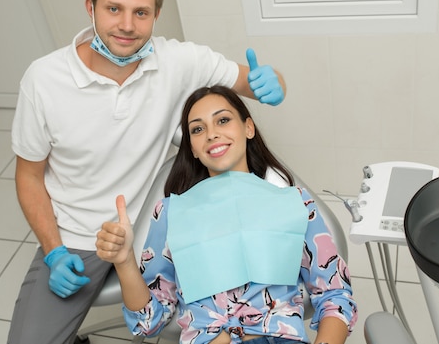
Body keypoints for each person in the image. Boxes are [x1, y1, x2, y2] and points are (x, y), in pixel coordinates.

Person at [8, 0, 287, 344]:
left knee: (232, 312)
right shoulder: (43, 80)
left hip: (156, 226)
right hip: (76, 237)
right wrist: (54, 251)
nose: (126, 25)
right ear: (90, 7)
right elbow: (29, 175)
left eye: (141, 13)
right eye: (113, 9)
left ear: (156, 15)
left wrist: (273, 84)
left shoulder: (179, 61)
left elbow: (253, 80)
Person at [96, 86, 357, 344]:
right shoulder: (170, 213)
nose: (212, 134)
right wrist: (124, 261)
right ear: (193, 149)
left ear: (248, 128)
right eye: (198, 129)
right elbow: (148, 323)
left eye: (223, 120)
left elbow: (336, 295)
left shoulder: (295, 203)